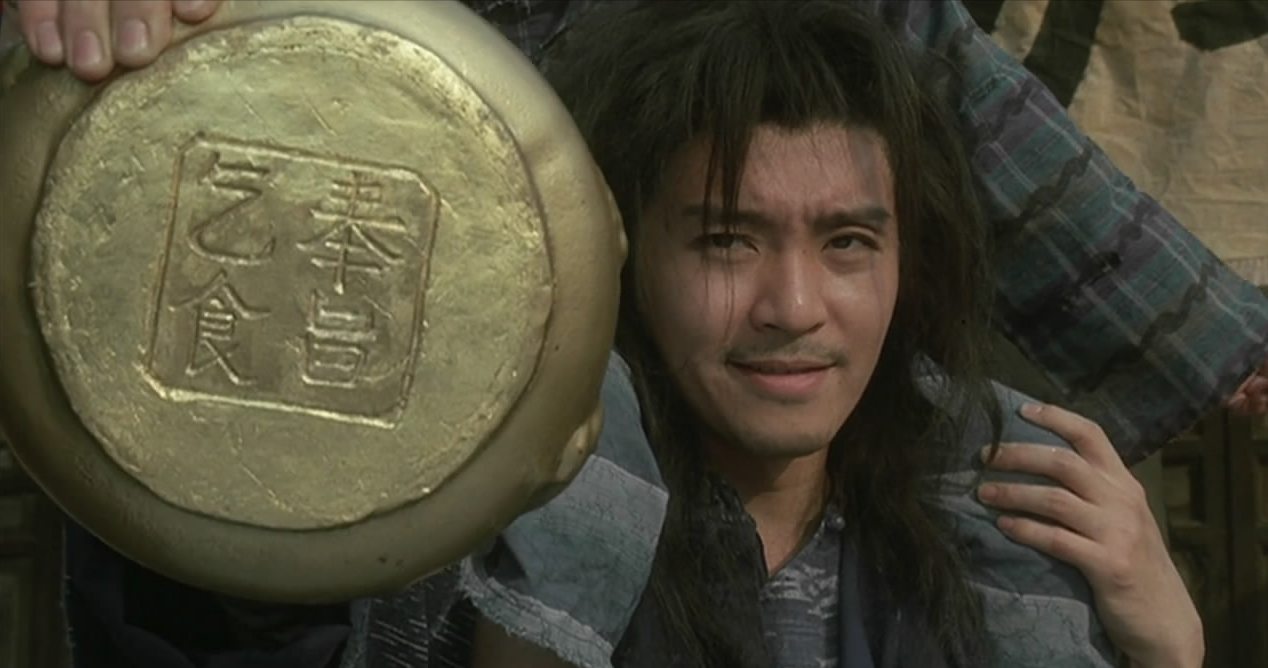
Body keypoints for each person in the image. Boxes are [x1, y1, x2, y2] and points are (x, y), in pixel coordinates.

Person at [0, 0, 1257, 667]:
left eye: (846, 242)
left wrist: (1169, 648)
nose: (792, 306)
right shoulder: (468, 536)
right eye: (723, 240)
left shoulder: (1005, 529)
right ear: (614, 252)